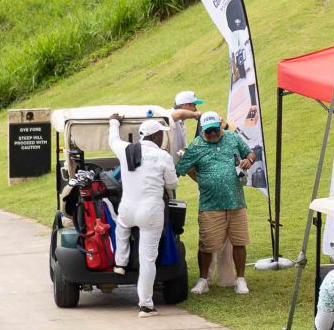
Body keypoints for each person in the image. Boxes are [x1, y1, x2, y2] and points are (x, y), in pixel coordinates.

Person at [176, 110, 257, 295]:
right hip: (210, 205)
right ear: (202, 130)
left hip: (236, 202)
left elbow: (251, 153)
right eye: (208, 131)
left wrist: (248, 161)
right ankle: (203, 280)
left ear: (220, 126)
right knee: (206, 245)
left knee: (239, 242)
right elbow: (180, 168)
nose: (213, 134)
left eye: (215, 130)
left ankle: (240, 279)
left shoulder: (232, 138)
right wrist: (198, 178)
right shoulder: (196, 146)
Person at [107, 114, 178, 318]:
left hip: (128, 208)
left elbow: (113, 139)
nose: (162, 138)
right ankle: (145, 305)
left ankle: (120, 262)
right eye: (161, 135)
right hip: (151, 211)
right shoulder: (163, 156)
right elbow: (172, 184)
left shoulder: (126, 150)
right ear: (154, 136)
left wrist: (114, 122)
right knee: (148, 259)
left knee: (121, 226)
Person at [166, 90, 203, 157]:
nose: (195, 109)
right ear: (185, 105)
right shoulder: (169, 114)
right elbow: (178, 114)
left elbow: (181, 150)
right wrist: (195, 114)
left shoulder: (181, 122)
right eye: (194, 105)